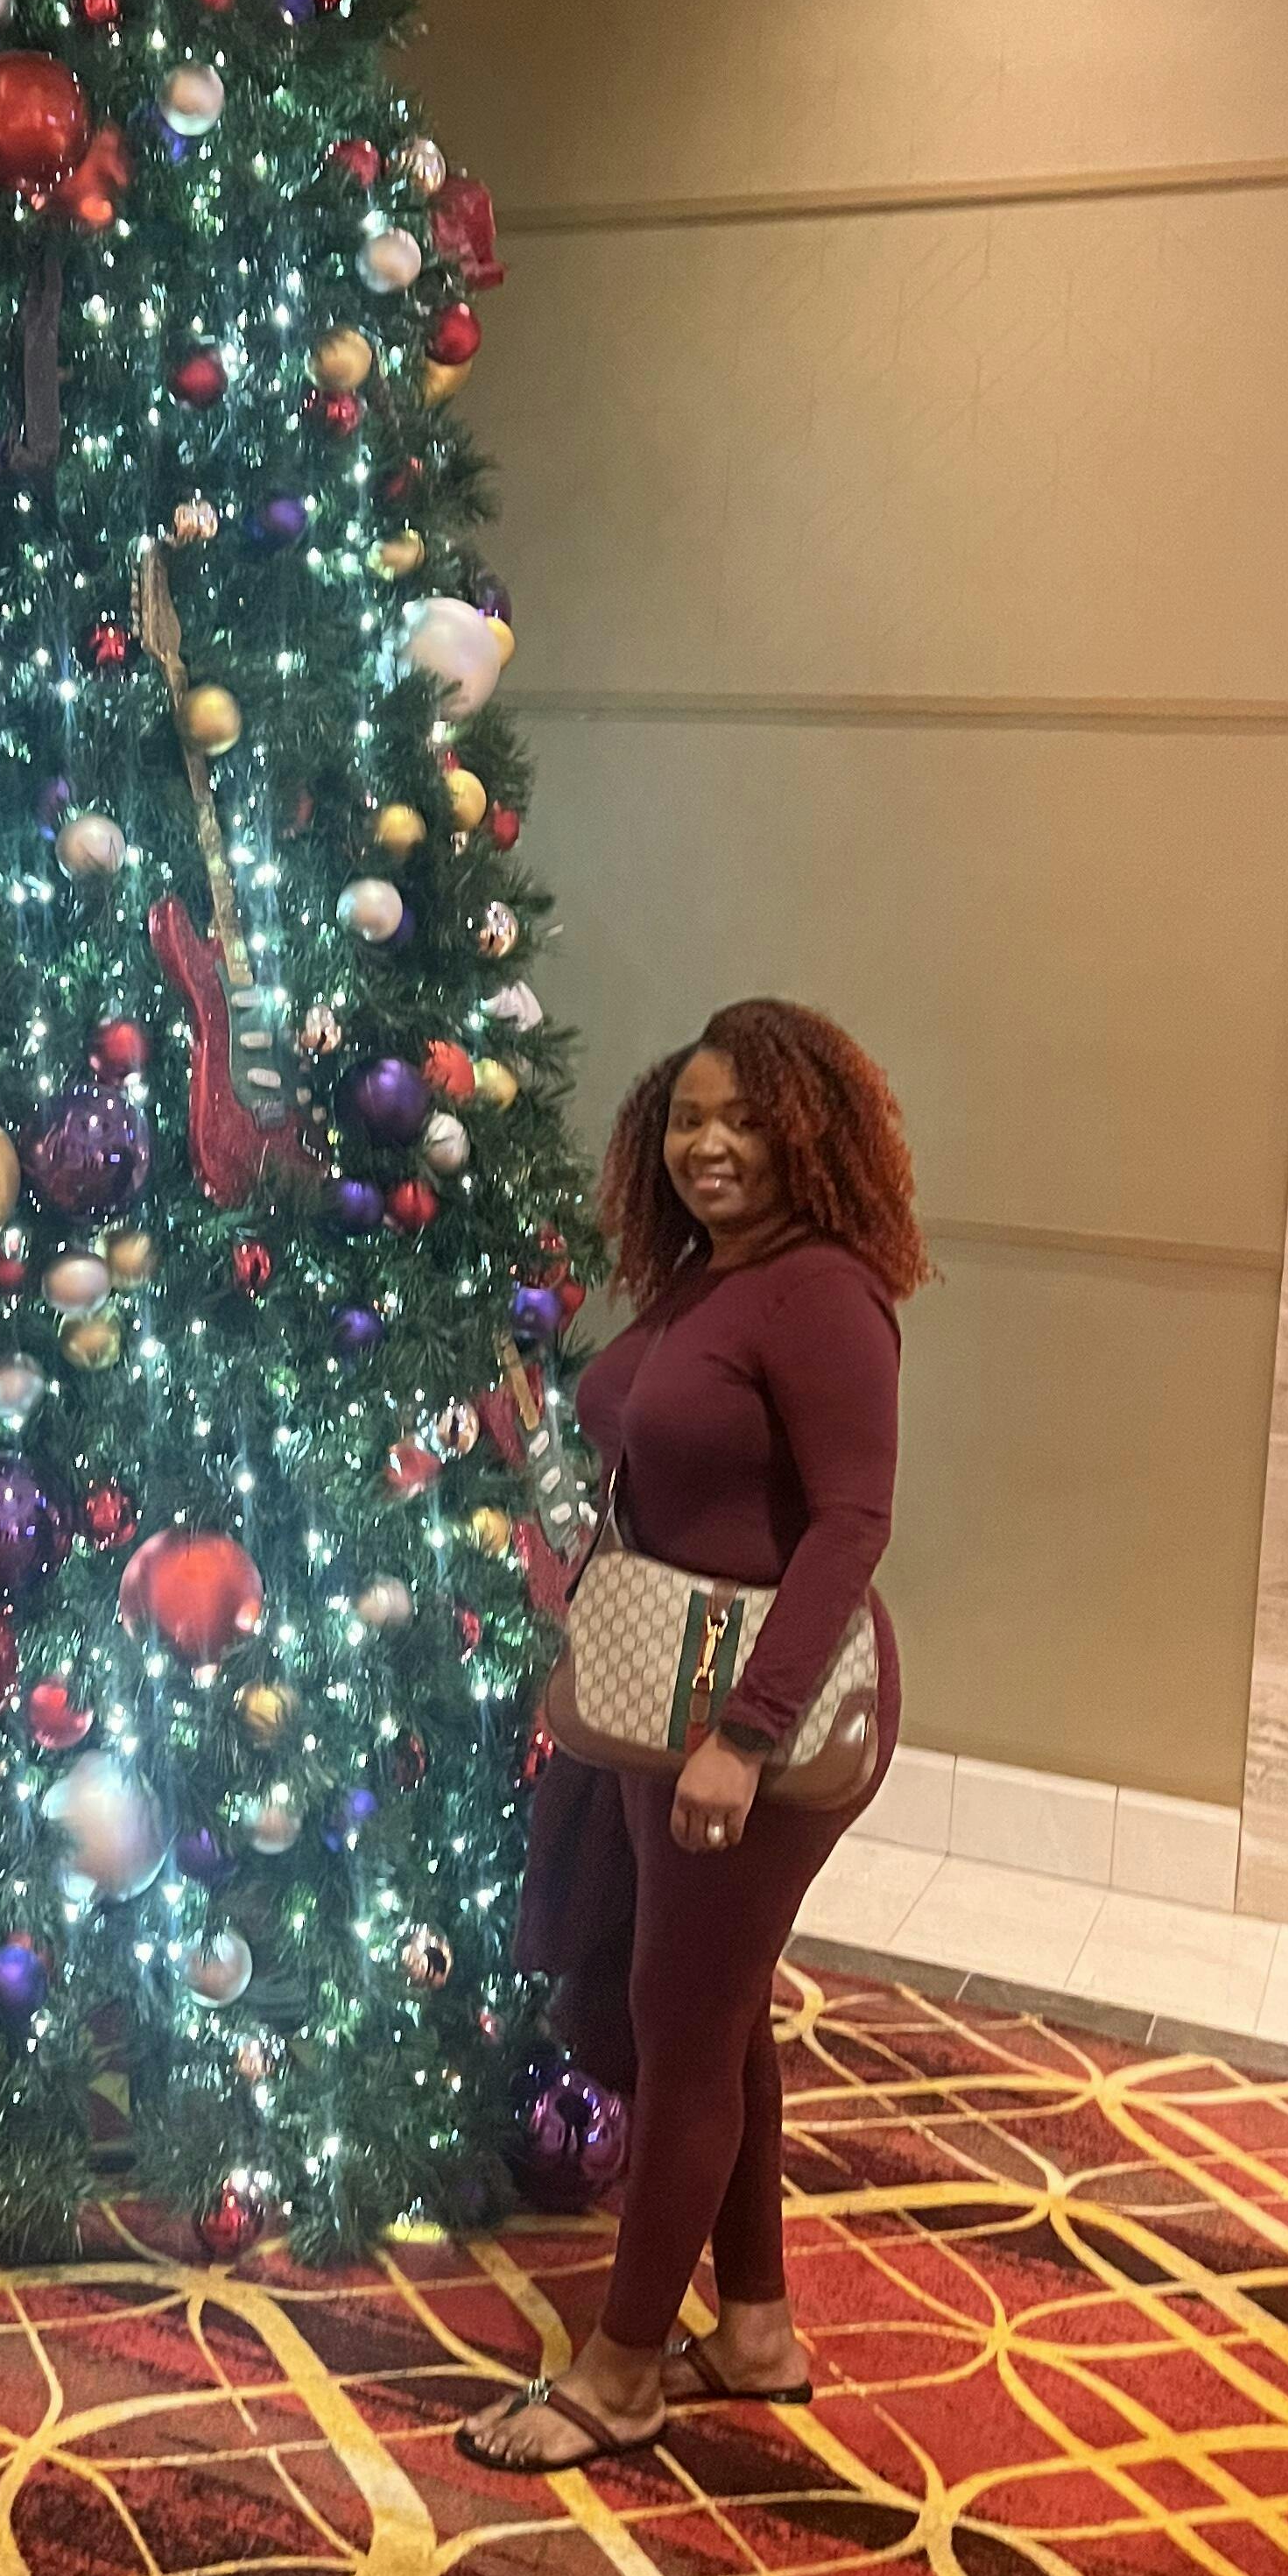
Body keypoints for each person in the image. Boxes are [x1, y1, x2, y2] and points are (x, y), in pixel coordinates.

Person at [461, 998, 928, 2472]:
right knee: (707, 2013)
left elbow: (851, 1526)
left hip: (759, 1712)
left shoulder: (825, 1294)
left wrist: (746, 1736)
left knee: (683, 2023)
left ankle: (620, 2376)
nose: (709, 1145)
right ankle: (756, 2327)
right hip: (663, 1687)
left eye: (744, 1121)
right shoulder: (702, 1276)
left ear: (810, 1134)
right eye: (688, 1119)